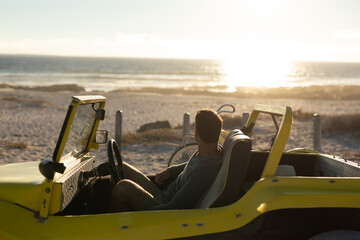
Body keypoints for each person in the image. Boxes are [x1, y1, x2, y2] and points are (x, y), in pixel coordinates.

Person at [110, 108, 223, 212]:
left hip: (164, 206)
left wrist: (140, 214)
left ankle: (116, 225)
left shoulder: (202, 174)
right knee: (121, 168)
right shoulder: (211, 152)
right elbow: (191, 165)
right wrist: (171, 171)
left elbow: (174, 208)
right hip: (163, 194)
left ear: (196, 133)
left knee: (123, 187)